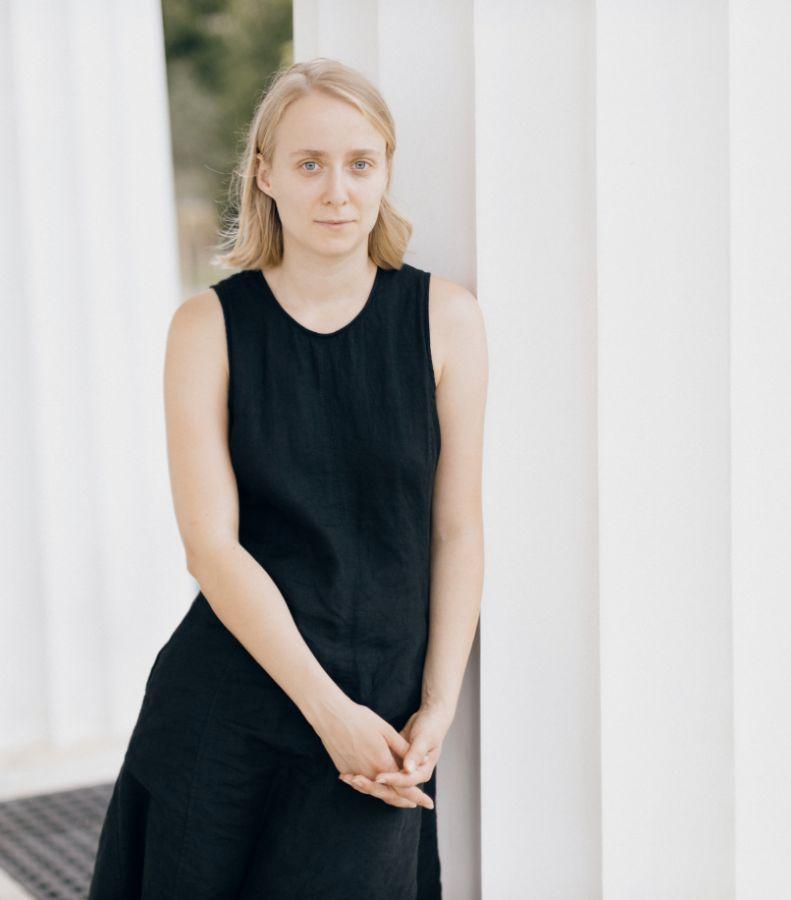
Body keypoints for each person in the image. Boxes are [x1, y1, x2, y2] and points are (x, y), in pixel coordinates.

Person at [88, 57, 487, 899]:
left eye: (359, 163)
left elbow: (456, 529)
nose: (336, 190)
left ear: (385, 170)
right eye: (309, 164)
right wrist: (329, 713)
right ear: (265, 175)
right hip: (228, 709)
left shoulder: (446, 320)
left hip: (382, 716)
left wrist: (439, 706)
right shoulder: (207, 327)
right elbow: (211, 547)